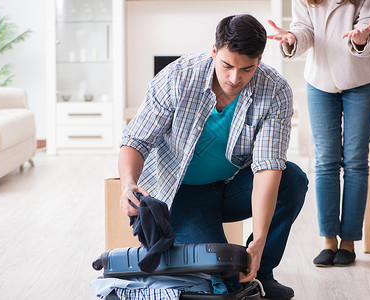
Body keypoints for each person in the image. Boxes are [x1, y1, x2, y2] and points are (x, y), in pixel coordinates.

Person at [118, 14, 308, 300]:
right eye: (227, 65)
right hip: (181, 193)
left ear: (259, 59)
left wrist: (259, 240)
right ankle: (238, 272)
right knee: (221, 275)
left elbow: (268, 167)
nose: (235, 78)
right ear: (214, 51)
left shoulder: (275, 90)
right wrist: (128, 184)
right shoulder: (178, 77)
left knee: (293, 179)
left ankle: (262, 270)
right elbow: (136, 140)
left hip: (232, 187)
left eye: (247, 69)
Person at [267, 0, 370, 267]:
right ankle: (329, 241)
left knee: (355, 161)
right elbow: (305, 29)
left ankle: (349, 242)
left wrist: (362, 38)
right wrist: (292, 37)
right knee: (325, 161)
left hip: (361, 79)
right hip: (320, 81)